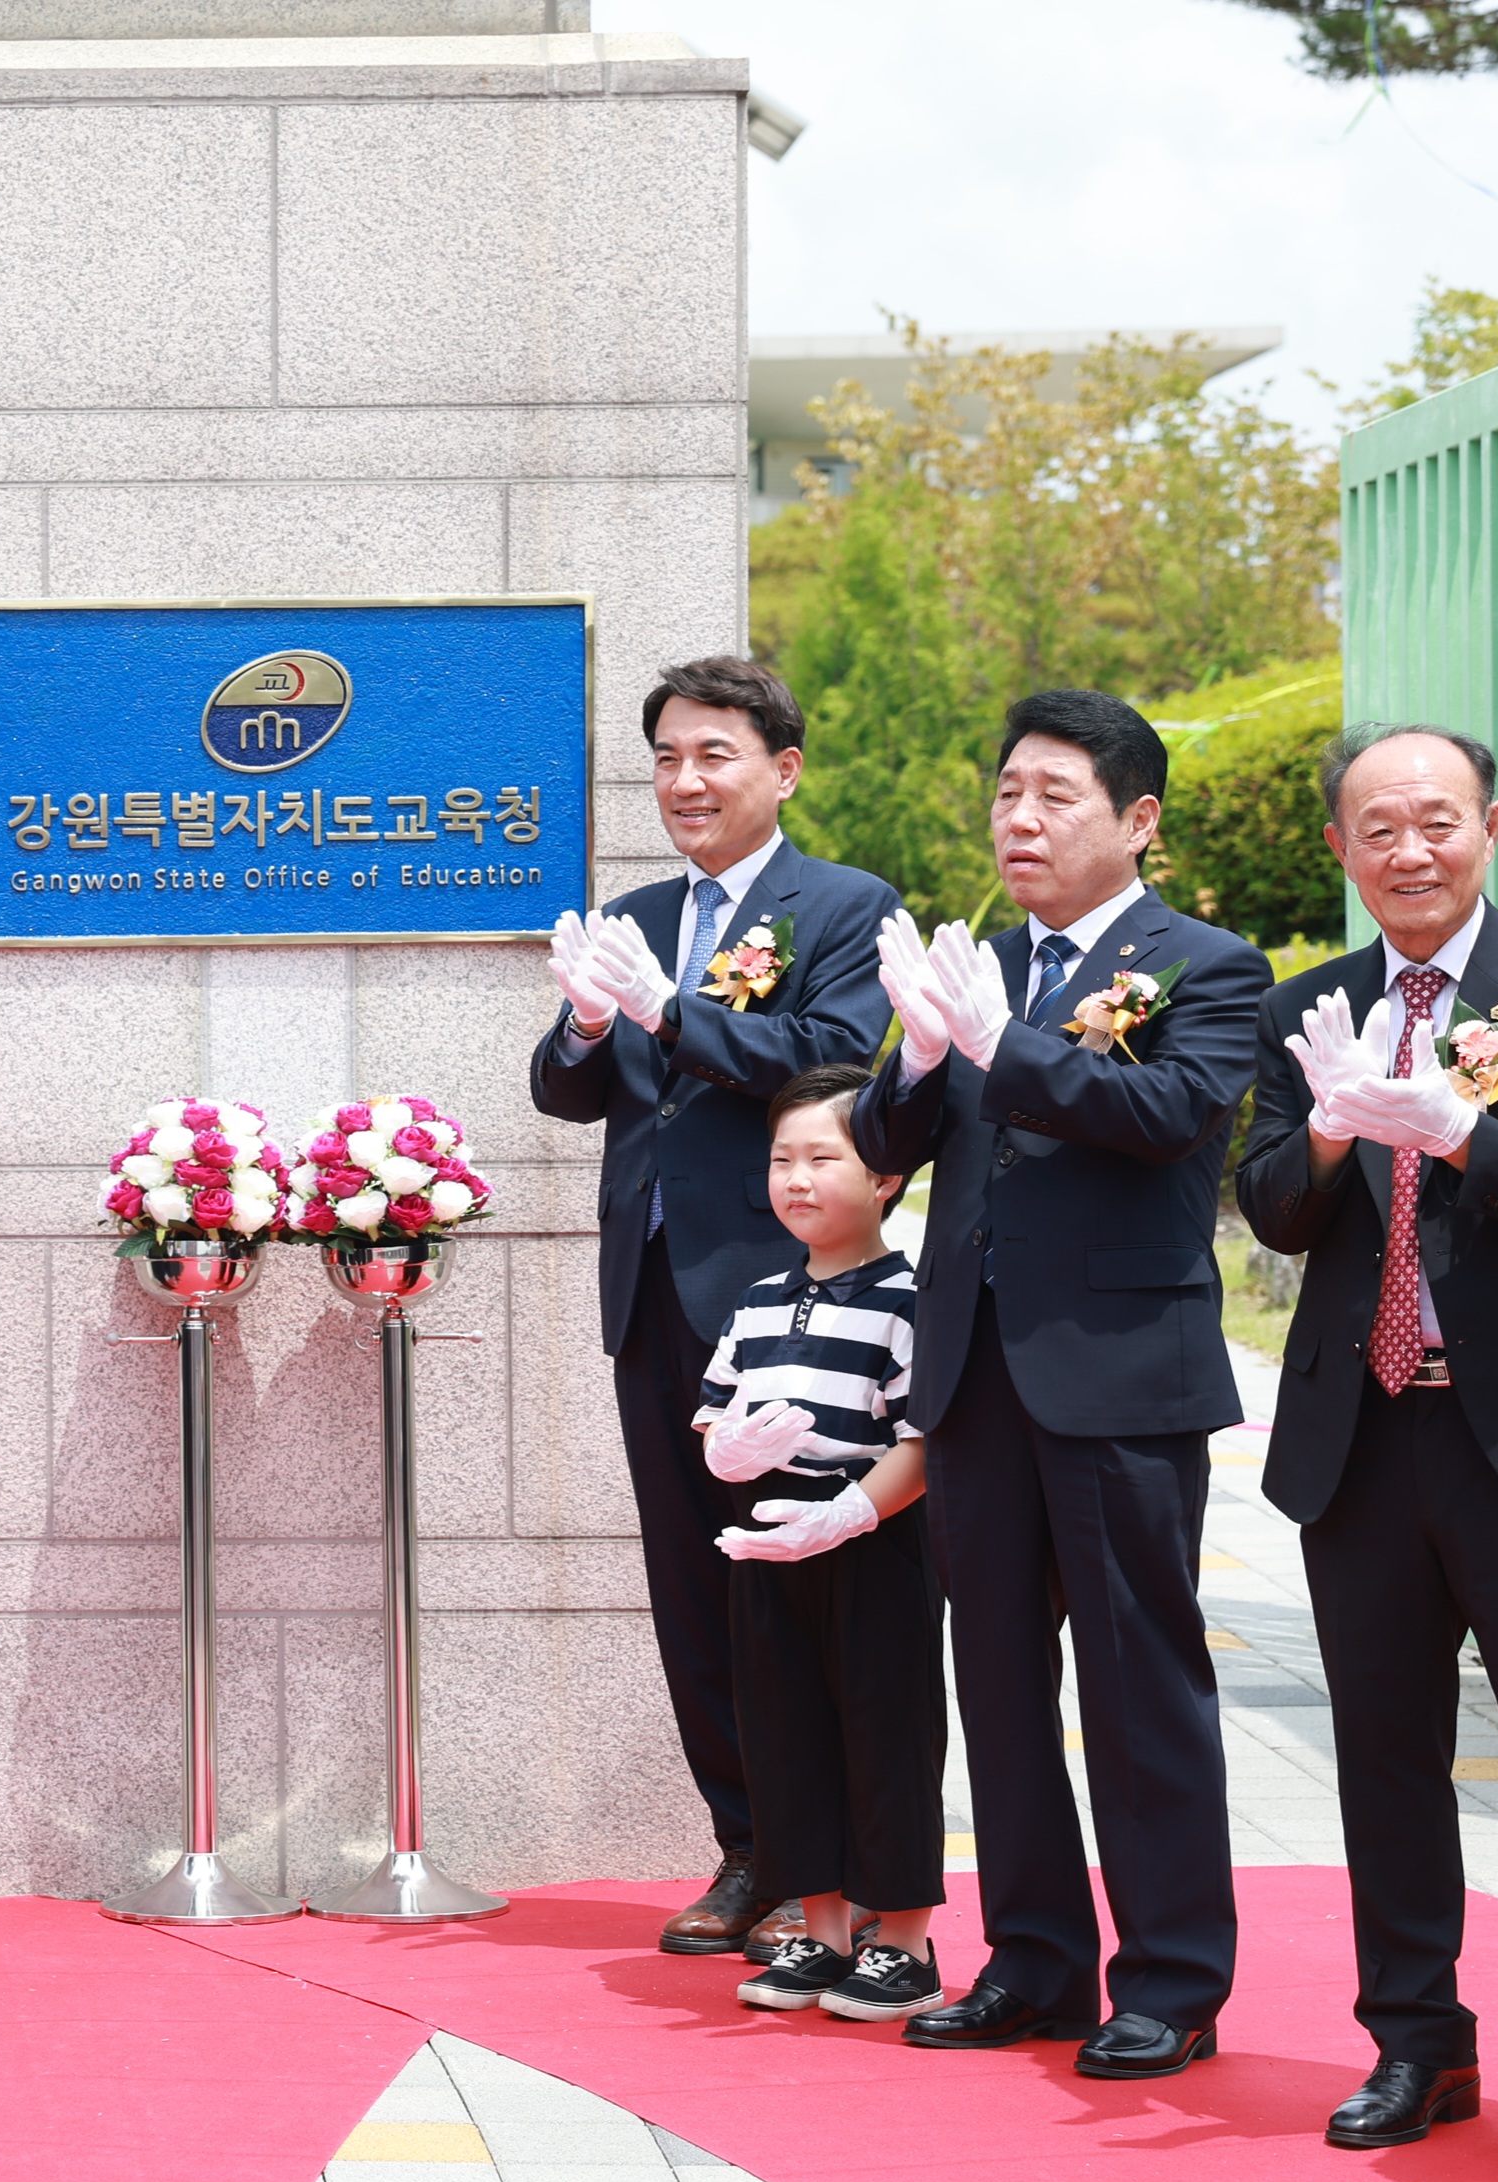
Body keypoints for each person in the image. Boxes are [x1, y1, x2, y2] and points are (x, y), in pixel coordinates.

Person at [1253, 725, 1498, 2176]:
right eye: (1375, 828)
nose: (1405, 851)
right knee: (1382, 1762)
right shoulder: (1310, 1002)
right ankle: (1412, 2040)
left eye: (1432, 822)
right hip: (1361, 1437)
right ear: (1337, 849)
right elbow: (1270, 1213)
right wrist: (1314, 1131)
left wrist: (1454, 1127)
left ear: (1487, 822)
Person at [855, 690, 1268, 2078]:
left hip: (1116, 1379)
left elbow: (1165, 1122)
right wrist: (916, 1054)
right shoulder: (979, 963)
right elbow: (883, 1141)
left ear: (1134, 819)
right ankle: (1029, 1960)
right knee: (994, 1679)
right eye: (1003, 794)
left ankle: (1167, 1980)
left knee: (1137, 1680)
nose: (1015, 820)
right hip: (972, 1372)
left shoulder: (1205, 965)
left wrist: (995, 1045)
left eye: (1051, 796)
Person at [533, 656, 900, 1961]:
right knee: (690, 1585)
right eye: (666, 760)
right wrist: (585, 1025)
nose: (684, 782)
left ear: (780, 769)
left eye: (713, 756)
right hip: (647, 1294)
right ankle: (744, 1849)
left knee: (797, 1580)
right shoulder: (634, 911)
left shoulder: (842, 907)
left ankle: (841, 1868)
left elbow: (826, 1066)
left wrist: (665, 1012)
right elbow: (567, 1091)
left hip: (783, 1296)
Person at [693, 1063, 945, 2022]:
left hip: (871, 1540)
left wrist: (846, 1515)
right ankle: (824, 1928)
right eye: (779, 1160)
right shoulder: (755, 1300)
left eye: (821, 1158)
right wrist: (728, 1456)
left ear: (884, 1174)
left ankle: (905, 1940)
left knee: (885, 1736)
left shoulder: (909, 1296)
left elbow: (922, 1442)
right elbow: (712, 1419)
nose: (795, 1180)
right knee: (785, 1735)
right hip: (766, 1541)